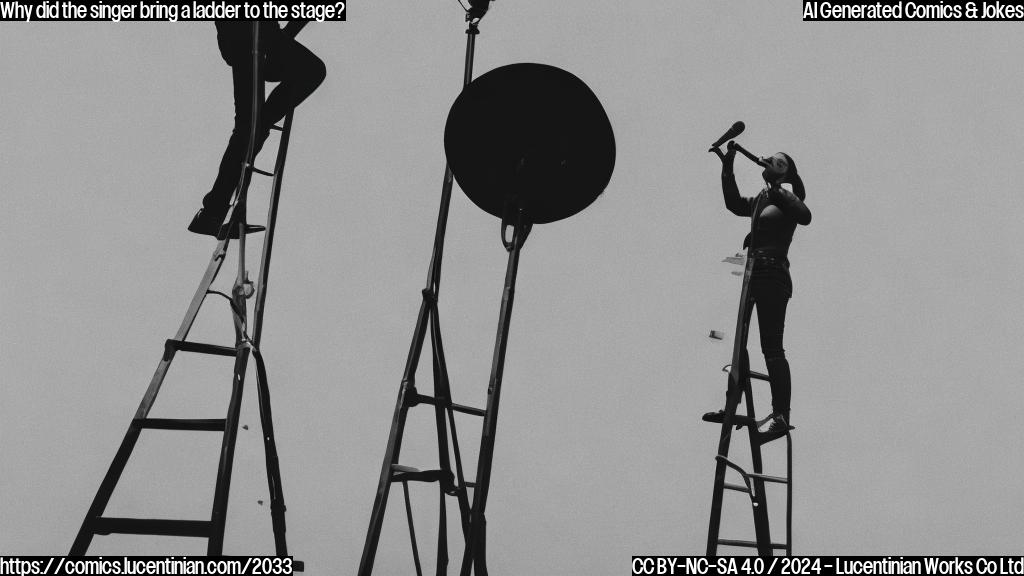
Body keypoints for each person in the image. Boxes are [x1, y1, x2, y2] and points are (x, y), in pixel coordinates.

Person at [704, 143, 811, 442]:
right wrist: (728, 167)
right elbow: (735, 204)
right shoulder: (763, 199)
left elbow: (805, 215)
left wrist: (777, 187)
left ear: (783, 171)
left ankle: (780, 415)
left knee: (772, 348)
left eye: (776, 161)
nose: (767, 159)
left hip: (774, 275)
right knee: (738, 342)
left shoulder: (787, 200)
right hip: (752, 276)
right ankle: (731, 404)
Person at [189, 20, 326, 236]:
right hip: (248, 36)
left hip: (259, 38)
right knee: (250, 128)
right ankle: (211, 214)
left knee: (250, 128)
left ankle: (211, 214)